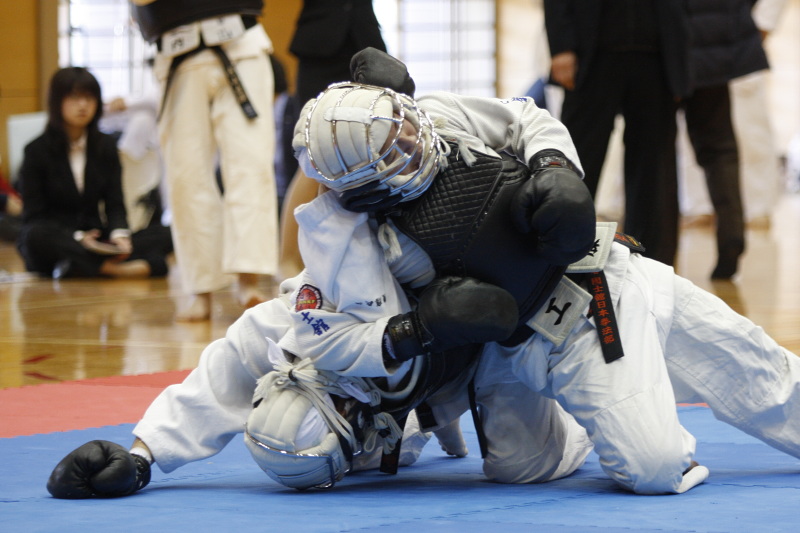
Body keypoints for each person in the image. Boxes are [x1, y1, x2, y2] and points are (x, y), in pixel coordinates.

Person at [130, 0, 280, 321]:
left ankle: (248, 282)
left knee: (250, 165)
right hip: (177, 55)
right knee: (186, 178)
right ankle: (200, 290)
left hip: (241, 44)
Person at [543, 0, 690, 266]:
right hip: (592, 53)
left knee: (654, 169)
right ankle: (562, 254)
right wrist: (561, 45)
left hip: (658, 54)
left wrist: (682, 61)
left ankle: (650, 261)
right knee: (577, 160)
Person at [16, 67, 172, 280]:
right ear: (56, 102)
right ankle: (116, 269)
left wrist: (119, 235)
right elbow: (34, 215)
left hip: (98, 237)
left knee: (167, 233)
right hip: (60, 237)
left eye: (89, 98)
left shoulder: (105, 146)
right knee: (34, 236)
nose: (83, 105)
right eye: (74, 97)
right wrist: (78, 238)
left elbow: (115, 203)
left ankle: (80, 266)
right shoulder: (36, 151)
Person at [279, 0, 388, 277]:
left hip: (365, 45)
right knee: (313, 155)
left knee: (367, 152)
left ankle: (348, 258)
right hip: (318, 49)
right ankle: (287, 260)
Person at [680, 0, 770, 279]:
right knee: (720, 149)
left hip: (669, 41)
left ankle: (656, 251)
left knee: (655, 150)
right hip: (717, 39)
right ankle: (732, 236)